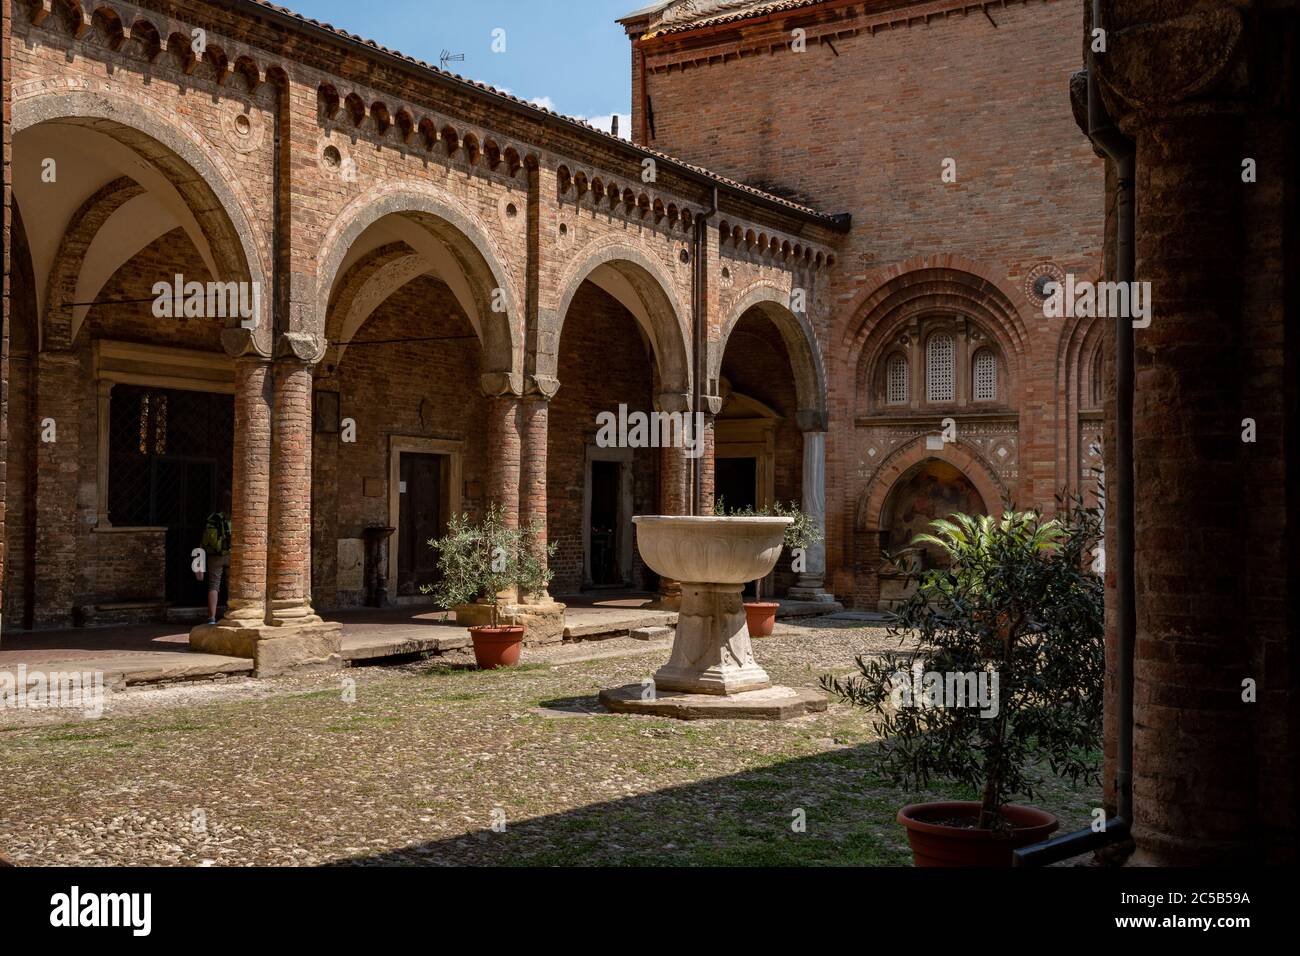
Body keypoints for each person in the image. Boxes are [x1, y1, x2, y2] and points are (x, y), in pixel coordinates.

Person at [198, 490, 233, 625]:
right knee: (232, 586)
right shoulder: (236, 517)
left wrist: (200, 558)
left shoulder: (213, 517)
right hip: (232, 555)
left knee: (214, 586)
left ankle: (211, 617)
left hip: (215, 556)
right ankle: (233, 612)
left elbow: (204, 539)